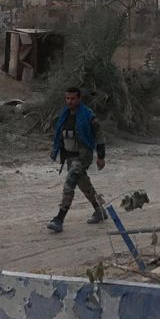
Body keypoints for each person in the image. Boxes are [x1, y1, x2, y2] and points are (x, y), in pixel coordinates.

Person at [46, 86, 107, 233]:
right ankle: (100, 210)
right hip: (69, 156)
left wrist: (101, 156)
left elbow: (99, 135)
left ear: (79, 99)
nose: (70, 101)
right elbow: (60, 135)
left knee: (70, 183)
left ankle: (59, 219)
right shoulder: (64, 115)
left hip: (83, 156)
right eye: (67, 98)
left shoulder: (88, 115)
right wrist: (55, 150)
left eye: (73, 98)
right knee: (83, 184)